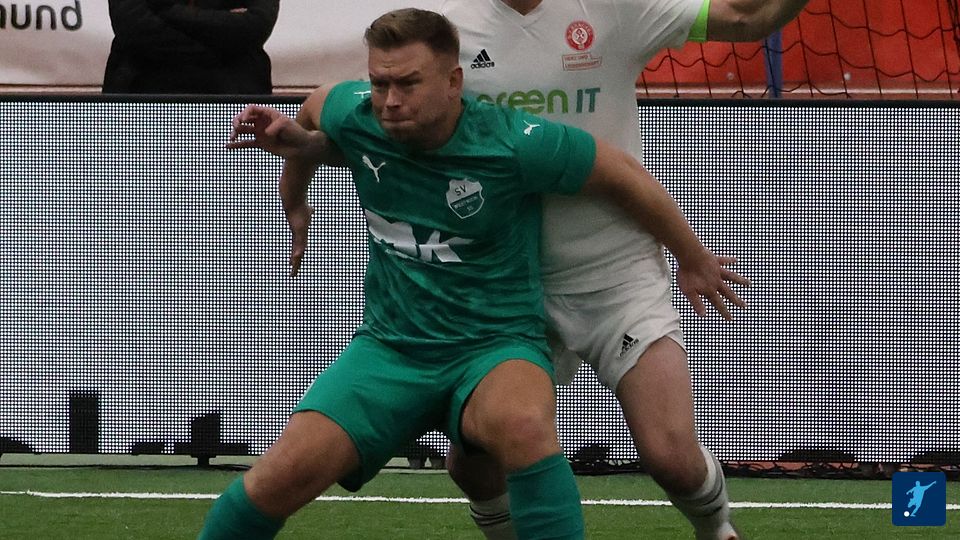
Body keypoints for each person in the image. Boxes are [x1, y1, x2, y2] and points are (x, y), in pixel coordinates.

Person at [199, 8, 744, 540]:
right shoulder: (355, 112)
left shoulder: (514, 141)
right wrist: (296, 198)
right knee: (274, 480)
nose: (390, 100)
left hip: (495, 344)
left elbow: (623, 173)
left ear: (455, 81)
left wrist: (692, 258)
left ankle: (714, 523)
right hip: (391, 347)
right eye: (380, 83)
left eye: (408, 83)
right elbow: (309, 119)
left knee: (528, 428)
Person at [437, 1, 809, 539]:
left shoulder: (614, 8)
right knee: (473, 463)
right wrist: (312, 156)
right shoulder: (445, 25)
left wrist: (690, 255)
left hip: (617, 276)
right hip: (504, 286)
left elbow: (748, 18)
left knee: (671, 457)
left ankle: (716, 528)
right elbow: (379, 111)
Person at [103, 0, 279, 94]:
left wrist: (167, 11)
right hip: (142, 87)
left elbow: (256, 25)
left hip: (235, 91)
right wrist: (222, 42)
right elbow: (133, 25)